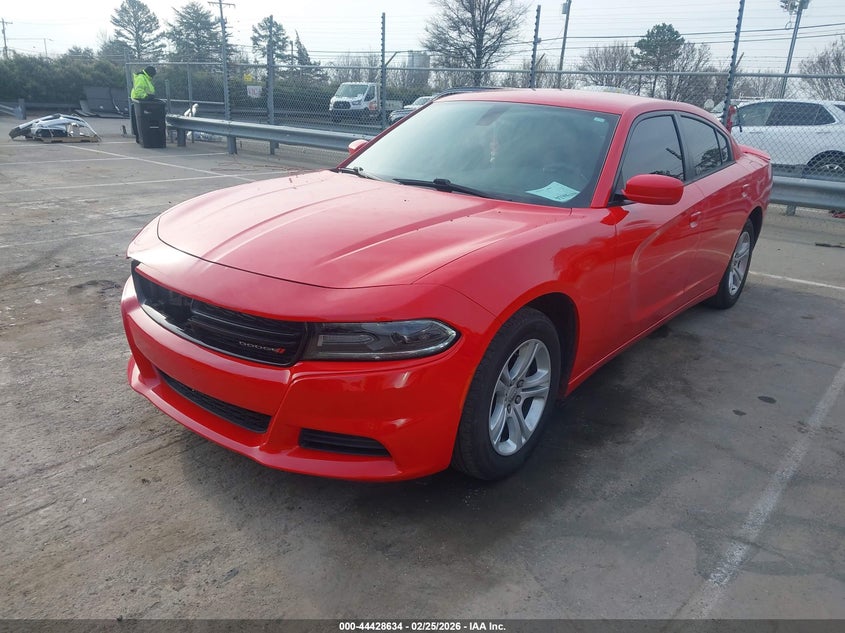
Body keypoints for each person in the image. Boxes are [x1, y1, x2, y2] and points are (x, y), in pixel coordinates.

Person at [130, 66, 157, 142]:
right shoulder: (141, 78)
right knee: (140, 121)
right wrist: (146, 96)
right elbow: (138, 90)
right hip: (140, 102)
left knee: (143, 121)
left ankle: (142, 137)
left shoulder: (146, 78)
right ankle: (140, 137)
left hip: (144, 102)